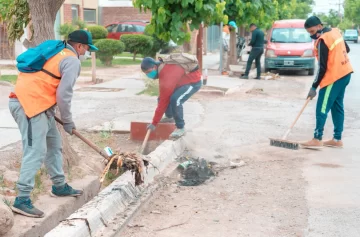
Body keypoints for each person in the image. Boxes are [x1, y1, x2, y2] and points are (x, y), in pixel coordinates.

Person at [8, 30, 98, 218]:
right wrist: (68, 120)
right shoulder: (72, 60)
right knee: (36, 151)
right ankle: (22, 199)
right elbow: (64, 95)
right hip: (29, 106)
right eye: (87, 48)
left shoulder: (57, 50)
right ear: (80, 46)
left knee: (54, 145)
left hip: (40, 106)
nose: (87, 52)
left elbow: (45, 79)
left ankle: (59, 186)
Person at [301, 16, 353, 148]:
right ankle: (337, 139)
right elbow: (347, 49)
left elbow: (322, 68)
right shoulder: (335, 32)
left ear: (319, 26)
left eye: (312, 32)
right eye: (309, 33)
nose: (312, 35)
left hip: (334, 77)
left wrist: (314, 87)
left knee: (322, 107)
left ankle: (317, 138)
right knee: (337, 106)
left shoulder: (323, 40)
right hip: (345, 73)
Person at [140, 57, 202, 139]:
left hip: (193, 82)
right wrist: (155, 122)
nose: (148, 75)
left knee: (176, 100)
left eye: (148, 72)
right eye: (146, 74)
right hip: (181, 83)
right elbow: (163, 98)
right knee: (162, 98)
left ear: (154, 67)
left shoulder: (166, 73)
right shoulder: (162, 69)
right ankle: (169, 117)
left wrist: (154, 123)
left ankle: (181, 128)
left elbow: (163, 102)